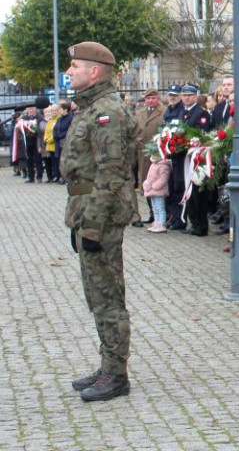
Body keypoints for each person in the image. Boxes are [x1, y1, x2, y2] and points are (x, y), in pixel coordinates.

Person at [63, 41, 137, 402]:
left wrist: (91, 226)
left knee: (108, 297)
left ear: (94, 71)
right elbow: (84, 173)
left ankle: (116, 374)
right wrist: (79, 220)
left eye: (75, 66)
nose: (69, 71)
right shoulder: (91, 108)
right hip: (88, 212)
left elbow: (110, 175)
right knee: (96, 294)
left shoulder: (108, 112)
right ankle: (108, 364)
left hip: (101, 217)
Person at [177, 84, 212, 235]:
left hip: (197, 157)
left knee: (198, 192)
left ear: (195, 96)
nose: (186, 98)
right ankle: (194, 223)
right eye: (184, 96)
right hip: (185, 157)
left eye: (189, 95)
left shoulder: (201, 113)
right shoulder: (182, 112)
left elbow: (202, 133)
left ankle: (201, 225)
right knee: (188, 190)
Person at [132, 88, 165, 227]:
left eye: (153, 98)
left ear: (158, 98)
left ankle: (163, 215)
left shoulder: (164, 111)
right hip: (142, 153)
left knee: (159, 185)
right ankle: (152, 213)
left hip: (158, 154)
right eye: (148, 98)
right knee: (146, 183)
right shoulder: (139, 113)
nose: (150, 101)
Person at [143, 154, 171, 233]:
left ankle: (161, 224)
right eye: (153, 155)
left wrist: (154, 186)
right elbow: (149, 177)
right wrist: (147, 184)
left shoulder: (164, 166)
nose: (154, 156)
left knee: (160, 208)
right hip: (151, 190)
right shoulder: (152, 165)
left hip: (159, 190)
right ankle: (156, 222)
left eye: (156, 155)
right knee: (154, 208)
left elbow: (163, 179)